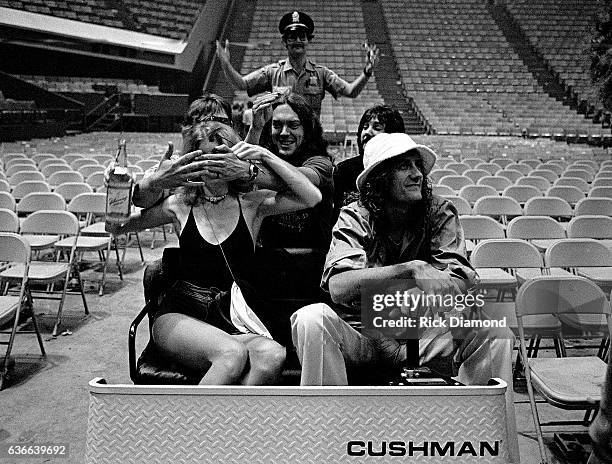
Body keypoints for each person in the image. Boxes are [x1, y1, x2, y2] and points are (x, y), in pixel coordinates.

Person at [290, 132, 520, 462]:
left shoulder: (439, 213)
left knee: (495, 332)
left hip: (422, 338)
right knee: (312, 318)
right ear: (380, 179)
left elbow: (459, 285)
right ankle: (323, 445)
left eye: (417, 166)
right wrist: (411, 270)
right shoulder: (355, 215)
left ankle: (482, 447)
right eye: (403, 166)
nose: (416, 173)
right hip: (364, 339)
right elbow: (339, 286)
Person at [107, 121, 322, 385]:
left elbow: (312, 197)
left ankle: (228, 426)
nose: (212, 164)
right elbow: (115, 226)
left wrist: (262, 154)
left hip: (229, 316)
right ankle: (195, 427)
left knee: (272, 356)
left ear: (234, 158)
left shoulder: (251, 203)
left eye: (220, 155)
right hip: (181, 315)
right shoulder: (179, 204)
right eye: (204, 156)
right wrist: (144, 183)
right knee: (232, 354)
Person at [216, 10, 379, 116]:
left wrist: (367, 72)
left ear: (308, 41)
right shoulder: (272, 72)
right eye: (292, 37)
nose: (298, 41)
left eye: (302, 36)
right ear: (285, 42)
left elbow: (351, 91)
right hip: (280, 140)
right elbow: (241, 84)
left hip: (310, 140)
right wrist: (225, 64)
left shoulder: (322, 73)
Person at [333, 104, 405, 221]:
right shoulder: (343, 170)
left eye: (376, 128)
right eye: (365, 127)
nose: (367, 132)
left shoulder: (403, 170)